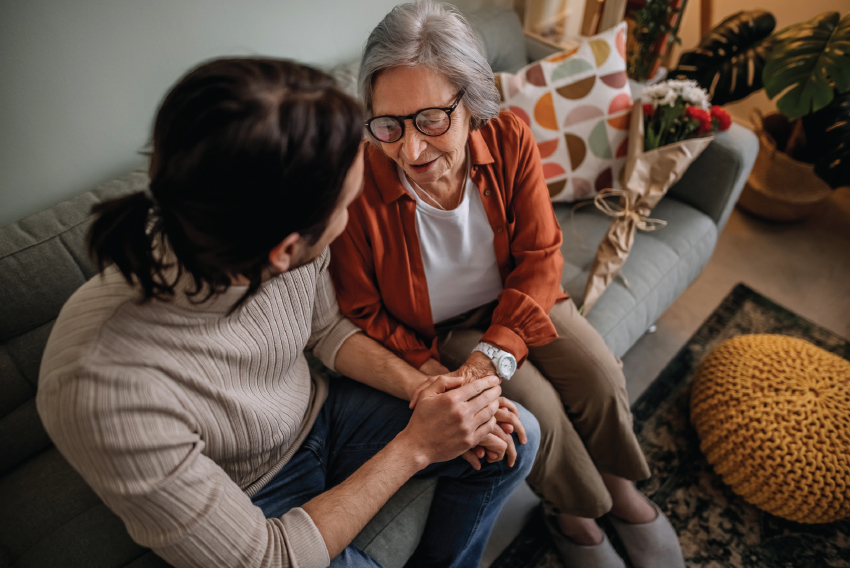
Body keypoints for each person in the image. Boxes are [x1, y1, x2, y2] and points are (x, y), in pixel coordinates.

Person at [36, 57, 540, 568]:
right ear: (283, 251)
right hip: (252, 497)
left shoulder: (259, 233)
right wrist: (416, 446)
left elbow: (324, 327)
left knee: (514, 437)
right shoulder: (101, 389)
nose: (350, 218)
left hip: (320, 416)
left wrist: (424, 391)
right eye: (347, 205)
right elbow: (266, 558)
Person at [328, 3, 686, 568]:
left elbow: (541, 255)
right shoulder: (358, 181)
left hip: (521, 296)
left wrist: (493, 356)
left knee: (597, 373)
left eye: (431, 120)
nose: (411, 151)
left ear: (471, 103)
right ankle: (576, 513)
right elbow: (364, 310)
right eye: (389, 125)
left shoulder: (511, 136)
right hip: (439, 330)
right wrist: (441, 375)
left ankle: (619, 490)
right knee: (534, 409)